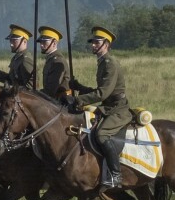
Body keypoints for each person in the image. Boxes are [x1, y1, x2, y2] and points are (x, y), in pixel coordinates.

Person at [63, 26, 130, 190]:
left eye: (96, 42)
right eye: (92, 42)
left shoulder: (110, 63)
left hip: (117, 109)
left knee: (101, 134)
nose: (93, 45)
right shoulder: (102, 63)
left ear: (106, 44)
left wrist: (77, 100)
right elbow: (99, 91)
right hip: (107, 107)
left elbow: (102, 93)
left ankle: (115, 174)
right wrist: (79, 87)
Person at [0, 24, 34, 88]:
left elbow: (31, 88)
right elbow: (11, 80)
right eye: (10, 40)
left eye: (14, 41)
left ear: (24, 41)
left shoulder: (26, 59)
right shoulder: (16, 58)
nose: (11, 44)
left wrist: (11, 91)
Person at [37, 26, 70, 98]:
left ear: (54, 43)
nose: (41, 45)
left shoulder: (57, 60)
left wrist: (35, 93)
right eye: (40, 42)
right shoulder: (51, 59)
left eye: (44, 42)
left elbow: (51, 90)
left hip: (60, 101)